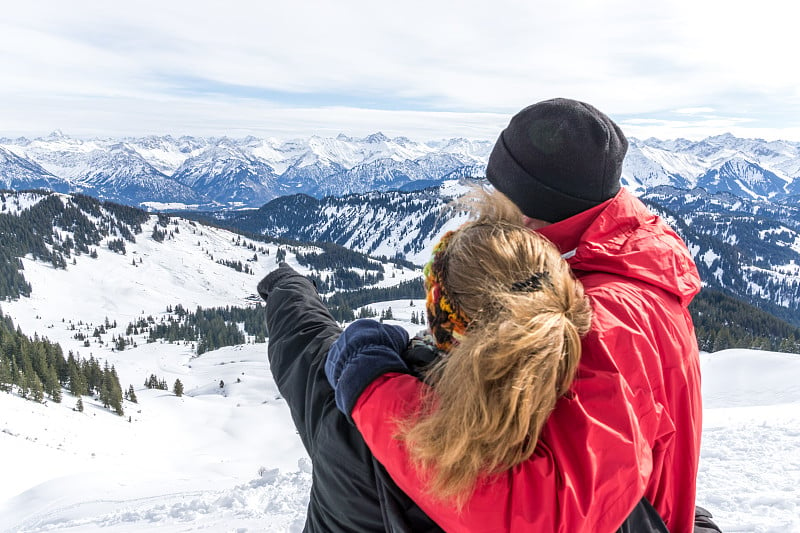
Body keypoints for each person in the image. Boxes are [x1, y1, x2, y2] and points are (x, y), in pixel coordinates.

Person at [325, 98, 713, 532]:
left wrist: (375, 387)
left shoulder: (599, 320)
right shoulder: (632, 263)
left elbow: (539, 516)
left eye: (500, 192)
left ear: (527, 205)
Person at [259, 193, 670, 532]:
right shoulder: (592, 450)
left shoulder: (351, 416)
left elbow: (304, 342)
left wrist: (287, 286)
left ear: (441, 313)